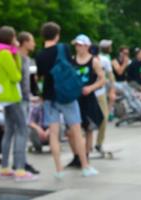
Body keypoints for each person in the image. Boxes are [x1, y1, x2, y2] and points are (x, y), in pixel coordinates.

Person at [35, 22, 98, 178]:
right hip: (67, 95)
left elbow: (40, 76)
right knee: (77, 132)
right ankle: (85, 166)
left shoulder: (39, 55)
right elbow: (70, 67)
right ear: (57, 35)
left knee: (54, 134)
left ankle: (59, 170)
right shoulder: (63, 48)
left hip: (49, 96)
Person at [0, 26, 36, 181]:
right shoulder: (6, 53)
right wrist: (16, 55)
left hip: (4, 96)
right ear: (10, 38)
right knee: (22, 130)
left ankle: (4, 168)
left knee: (8, 132)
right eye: (15, 37)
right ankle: (20, 170)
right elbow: (16, 76)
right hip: (13, 96)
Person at [71, 34, 105, 157]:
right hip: (75, 97)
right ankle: (77, 155)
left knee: (88, 128)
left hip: (88, 97)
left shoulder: (94, 61)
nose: (77, 47)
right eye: (76, 45)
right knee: (74, 128)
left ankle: (86, 154)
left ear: (87, 46)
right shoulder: (72, 60)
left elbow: (102, 80)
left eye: (80, 45)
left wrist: (91, 88)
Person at [94, 39, 116, 154]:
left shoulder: (105, 59)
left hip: (100, 92)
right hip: (89, 93)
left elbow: (111, 76)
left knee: (104, 117)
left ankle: (99, 143)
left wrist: (112, 90)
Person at [113, 46, 141, 114]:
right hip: (117, 83)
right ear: (120, 53)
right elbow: (119, 72)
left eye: (127, 54)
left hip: (125, 82)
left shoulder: (129, 61)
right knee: (128, 94)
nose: (126, 55)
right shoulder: (115, 61)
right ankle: (137, 110)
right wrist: (125, 63)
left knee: (133, 94)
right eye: (124, 53)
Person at [17, 32, 36, 115]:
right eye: (32, 41)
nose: (34, 44)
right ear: (25, 42)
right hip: (18, 99)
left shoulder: (27, 59)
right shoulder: (16, 58)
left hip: (25, 98)